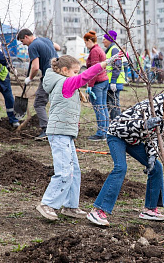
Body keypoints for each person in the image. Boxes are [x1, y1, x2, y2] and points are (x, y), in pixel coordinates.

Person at [36, 53, 122, 221]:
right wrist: (106, 63)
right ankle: (47, 204)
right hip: (59, 133)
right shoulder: (65, 82)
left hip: (65, 133)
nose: (77, 74)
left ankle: (70, 206)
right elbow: (85, 76)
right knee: (64, 172)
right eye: (75, 71)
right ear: (65, 70)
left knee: (74, 171)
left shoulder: (66, 82)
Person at [86, 93, 164, 226]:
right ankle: (98, 210)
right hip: (117, 135)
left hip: (133, 141)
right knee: (120, 168)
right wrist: (145, 124)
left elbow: (154, 138)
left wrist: (152, 156)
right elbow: (127, 125)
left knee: (156, 167)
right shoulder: (148, 106)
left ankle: (150, 209)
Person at [17, 28, 60, 140]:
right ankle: (58, 128)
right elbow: (58, 47)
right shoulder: (45, 40)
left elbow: (35, 67)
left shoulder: (32, 46)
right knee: (56, 101)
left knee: (39, 103)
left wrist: (30, 78)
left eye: (22, 41)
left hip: (49, 76)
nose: (23, 44)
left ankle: (46, 130)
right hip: (59, 73)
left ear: (26, 37)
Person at [84, 30, 109, 141]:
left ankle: (101, 133)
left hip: (98, 83)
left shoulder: (94, 51)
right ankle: (105, 131)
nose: (85, 44)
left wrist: (90, 85)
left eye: (85, 42)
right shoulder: (99, 49)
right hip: (104, 81)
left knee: (99, 108)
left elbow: (94, 70)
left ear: (90, 41)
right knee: (103, 107)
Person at [102, 30, 126, 120]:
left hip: (115, 82)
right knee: (111, 104)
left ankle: (116, 123)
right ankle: (114, 122)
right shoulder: (109, 50)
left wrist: (113, 81)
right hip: (111, 82)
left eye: (104, 39)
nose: (103, 41)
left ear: (109, 39)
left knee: (114, 104)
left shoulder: (114, 49)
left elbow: (117, 65)